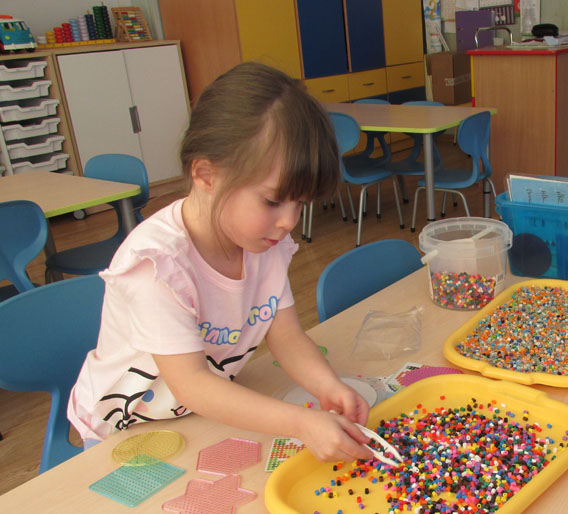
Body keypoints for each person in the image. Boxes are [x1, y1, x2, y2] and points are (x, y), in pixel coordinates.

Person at [68, 62, 374, 463]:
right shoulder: (157, 266)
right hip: (124, 432)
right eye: (272, 200)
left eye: (300, 204)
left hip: (198, 415)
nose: (289, 221)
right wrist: (302, 423)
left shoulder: (264, 244)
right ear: (206, 175)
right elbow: (192, 385)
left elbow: (286, 337)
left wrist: (327, 386)